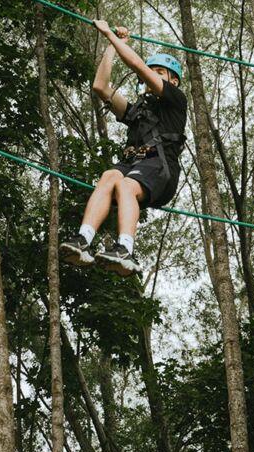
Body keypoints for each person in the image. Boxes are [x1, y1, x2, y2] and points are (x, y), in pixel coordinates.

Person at [60, 19, 187, 276]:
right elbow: (100, 87)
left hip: (161, 166)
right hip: (134, 164)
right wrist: (112, 45)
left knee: (125, 185)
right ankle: (83, 239)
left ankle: (125, 249)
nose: (152, 75)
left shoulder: (176, 100)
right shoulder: (138, 111)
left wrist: (109, 34)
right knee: (109, 176)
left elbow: (137, 65)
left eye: (159, 72)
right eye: (153, 71)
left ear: (172, 81)